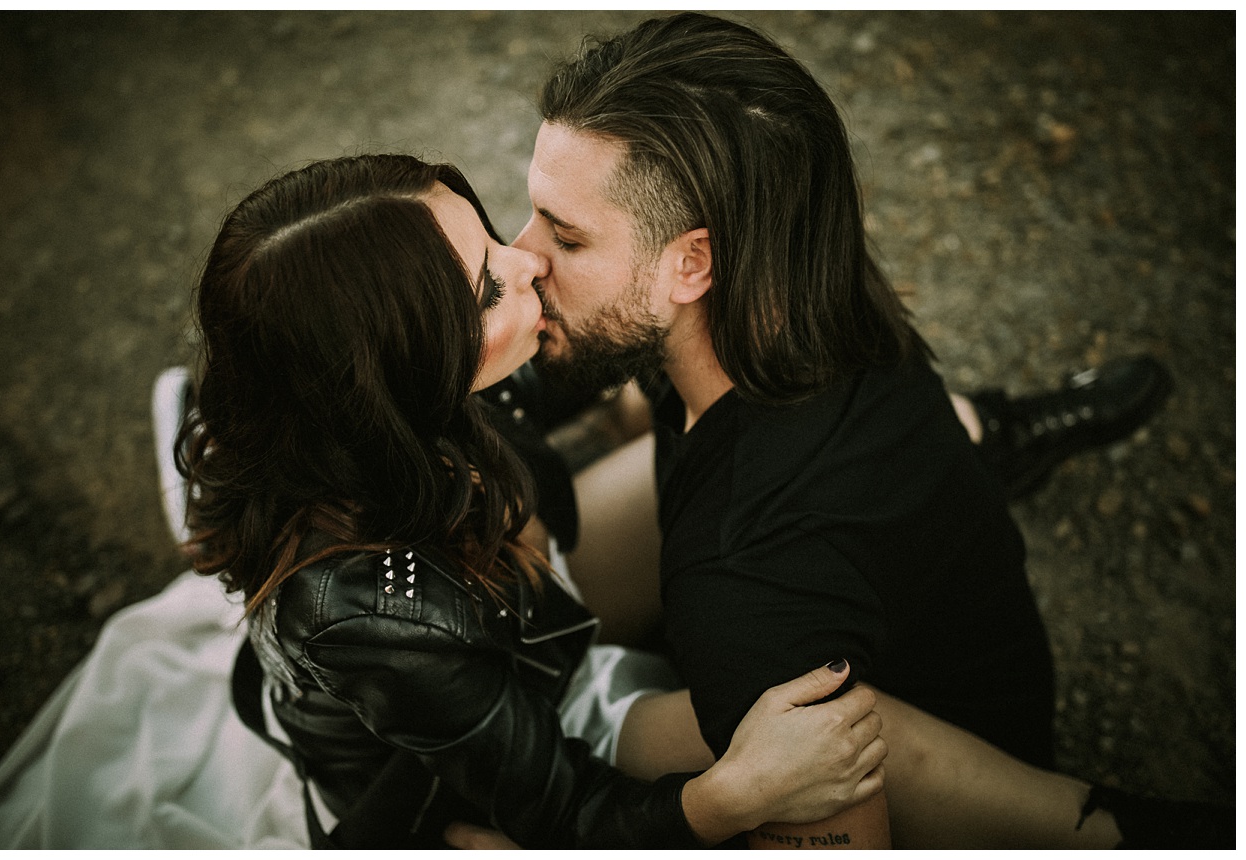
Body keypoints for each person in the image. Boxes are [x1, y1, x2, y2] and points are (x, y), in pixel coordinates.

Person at [492, 11, 1222, 848]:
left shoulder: (741, 585)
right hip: (877, 584)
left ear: (694, 263)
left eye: (566, 235)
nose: (520, 256)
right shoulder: (800, 287)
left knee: (504, 764)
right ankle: (990, 434)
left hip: (907, 763)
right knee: (504, 603)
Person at [173, 152, 890, 849]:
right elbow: (568, 812)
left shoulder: (369, 406)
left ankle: (945, 438)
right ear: (403, 377)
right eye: (488, 289)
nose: (527, 262)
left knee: (746, 425)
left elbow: (582, 366)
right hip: (545, 707)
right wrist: (729, 796)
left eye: (488, 235)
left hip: (536, 602)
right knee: (847, 735)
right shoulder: (373, 616)